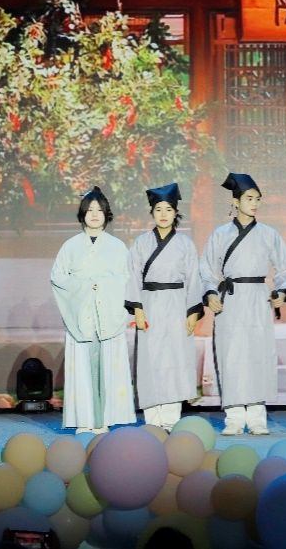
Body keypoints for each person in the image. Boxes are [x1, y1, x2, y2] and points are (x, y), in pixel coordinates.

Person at [199, 172, 286, 435]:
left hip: (257, 298)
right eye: (249, 198)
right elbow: (206, 269)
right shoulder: (220, 234)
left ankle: (257, 416)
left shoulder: (268, 234)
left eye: (257, 199)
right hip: (230, 300)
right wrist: (210, 293)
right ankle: (233, 416)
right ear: (235, 201)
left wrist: (282, 290)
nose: (254, 204)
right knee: (231, 355)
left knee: (258, 354)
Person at [50, 186, 136, 433]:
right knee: (82, 366)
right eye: (90, 210)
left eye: (99, 210)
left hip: (108, 315)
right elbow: (58, 278)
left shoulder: (117, 246)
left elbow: (127, 279)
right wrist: (85, 286)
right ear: (82, 214)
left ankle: (105, 418)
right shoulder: (70, 246)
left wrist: (104, 286)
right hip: (82, 314)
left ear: (106, 214)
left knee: (109, 365)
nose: (95, 215)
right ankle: (85, 420)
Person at [125, 183, 203, 431]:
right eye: (158, 209)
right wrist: (138, 309)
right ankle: (152, 421)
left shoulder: (185, 244)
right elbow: (132, 276)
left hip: (177, 304)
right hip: (149, 303)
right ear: (152, 212)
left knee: (175, 359)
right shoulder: (141, 243)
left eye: (168, 209)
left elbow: (194, 278)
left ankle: (170, 419)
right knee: (150, 361)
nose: (163, 214)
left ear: (175, 212)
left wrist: (192, 312)